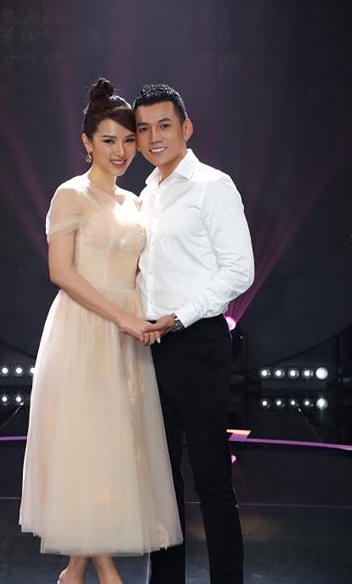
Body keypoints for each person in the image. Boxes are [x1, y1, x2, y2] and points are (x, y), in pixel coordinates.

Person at [19, 79, 182, 584]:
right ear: (87, 142)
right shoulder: (71, 194)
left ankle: (76, 571)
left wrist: (150, 316)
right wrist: (122, 318)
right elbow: (61, 272)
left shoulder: (136, 203)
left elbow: (144, 270)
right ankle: (105, 570)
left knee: (115, 447)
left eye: (129, 140)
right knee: (86, 443)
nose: (121, 151)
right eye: (109, 140)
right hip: (85, 328)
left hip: (129, 335)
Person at [133, 84, 255, 584]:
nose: (154, 138)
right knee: (161, 486)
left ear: (186, 128)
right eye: (143, 129)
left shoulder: (212, 186)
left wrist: (180, 316)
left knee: (211, 480)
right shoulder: (146, 194)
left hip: (198, 342)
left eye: (164, 125)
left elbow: (239, 270)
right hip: (150, 347)